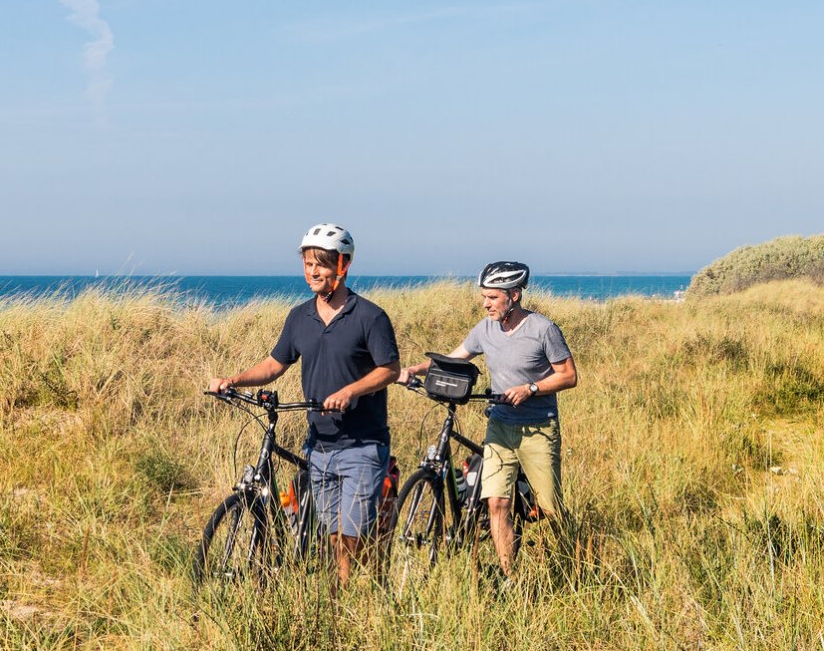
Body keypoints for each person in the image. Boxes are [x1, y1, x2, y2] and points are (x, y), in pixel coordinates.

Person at [208, 223, 401, 583]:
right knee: (332, 535)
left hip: (362, 442)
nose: (313, 272)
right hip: (319, 443)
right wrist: (233, 380)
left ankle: (347, 598)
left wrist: (351, 391)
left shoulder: (370, 317)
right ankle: (343, 596)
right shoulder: (300, 316)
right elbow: (274, 364)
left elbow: (390, 369)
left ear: (342, 266)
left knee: (350, 537)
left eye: (322, 265)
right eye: (308, 264)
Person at [398, 260, 578, 579]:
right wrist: (414, 369)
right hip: (499, 426)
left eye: (492, 297)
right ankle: (510, 577)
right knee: (496, 503)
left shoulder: (543, 329)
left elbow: (568, 376)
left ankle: (574, 564)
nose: (485, 303)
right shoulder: (485, 329)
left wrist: (531, 388)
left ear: (515, 295)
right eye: (483, 296)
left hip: (538, 429)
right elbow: (454, 357)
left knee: (550, 507)